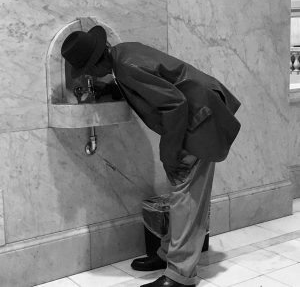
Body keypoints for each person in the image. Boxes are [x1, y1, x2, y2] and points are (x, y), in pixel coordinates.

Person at [61, 26, 241, 287]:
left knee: (187, 198)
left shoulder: (126, 66)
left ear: (96, 62)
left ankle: (180, 276)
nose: (89, 75)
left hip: (199, 120)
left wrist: (169, 155)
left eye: (87, 70)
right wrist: (109, 90)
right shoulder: (123, 54)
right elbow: (152, 84)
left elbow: (174, 104)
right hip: (197, 114)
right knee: (183, 197)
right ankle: (169, 255)